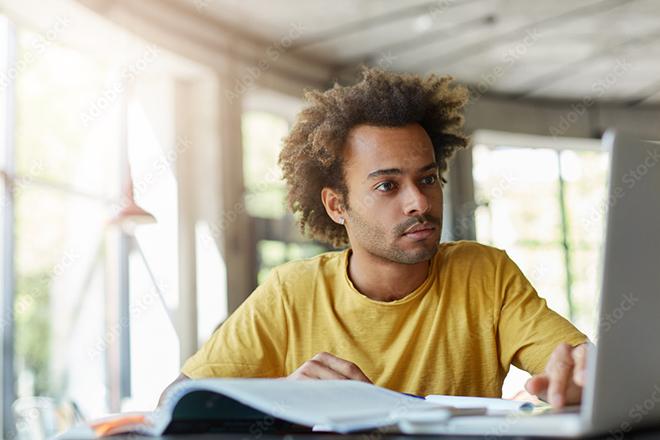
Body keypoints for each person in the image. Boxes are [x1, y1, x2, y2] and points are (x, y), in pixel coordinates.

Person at [161, 68, 589, 408]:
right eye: (387, 186)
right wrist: (283, 398)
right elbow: (173, 403)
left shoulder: (485, 273)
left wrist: (582, 379)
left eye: (427, 178)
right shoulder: (290, 293)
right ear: (336, 206)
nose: (418, 202)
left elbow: (584, 368)